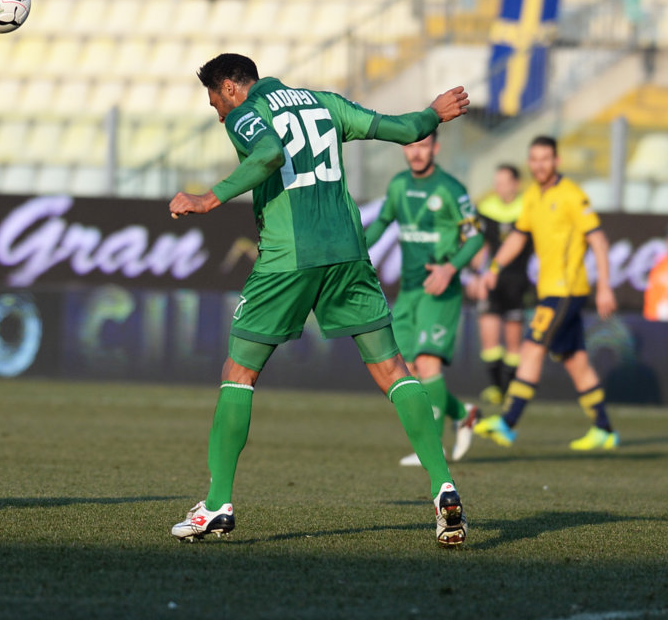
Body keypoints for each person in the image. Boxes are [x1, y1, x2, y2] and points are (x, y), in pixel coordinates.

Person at [167, 52, 472, 547]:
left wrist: (208, 198)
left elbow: (266, 155)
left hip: (289, 255)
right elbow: (401, 129)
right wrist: (434, 114)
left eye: (214, 103)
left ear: (229, 87)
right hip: (348, 252)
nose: (218, 114)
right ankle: (443, 486)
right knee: (393, 369)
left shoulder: (247, 113)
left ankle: (218, 504)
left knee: (238, 372)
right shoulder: (322, 102)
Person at [473, 136, 620, 451]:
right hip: (550, 291)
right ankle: (604, 430)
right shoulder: (531, 197)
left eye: (545, 159)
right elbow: (517, 237)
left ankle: (508, 423)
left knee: (531, 347)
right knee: (575, 359)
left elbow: (598, 240)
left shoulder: (571, 196)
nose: (539, 165)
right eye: (534, 159)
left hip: (565, 291)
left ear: (557, 161)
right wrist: (494, 268)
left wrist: (605, 285)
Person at [363, 133, 483, 468]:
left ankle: (432, 448)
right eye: (411, 145)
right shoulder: (399, 185)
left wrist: (450, 268)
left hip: (441, 289)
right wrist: (358, 248)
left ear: (436, 148)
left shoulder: (451, 188)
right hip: (410, 291)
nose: (416, 152)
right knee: (407, 370)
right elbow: (384, 221)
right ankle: (463, 414)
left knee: (428, 365)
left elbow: (475, 238)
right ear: (404, 148)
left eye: (423, 145)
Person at [474, 163, 533, 405]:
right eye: (496, 182)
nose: (499, 187)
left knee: (513, 341)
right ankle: (496, 387)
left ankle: (509, 389)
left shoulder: (528, 208)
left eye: (504, 182)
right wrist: (477, 275)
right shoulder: (485, 209)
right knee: (488, 337)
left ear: (516, 184)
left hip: (518, 282)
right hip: (491, 280)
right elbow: (478, 244)